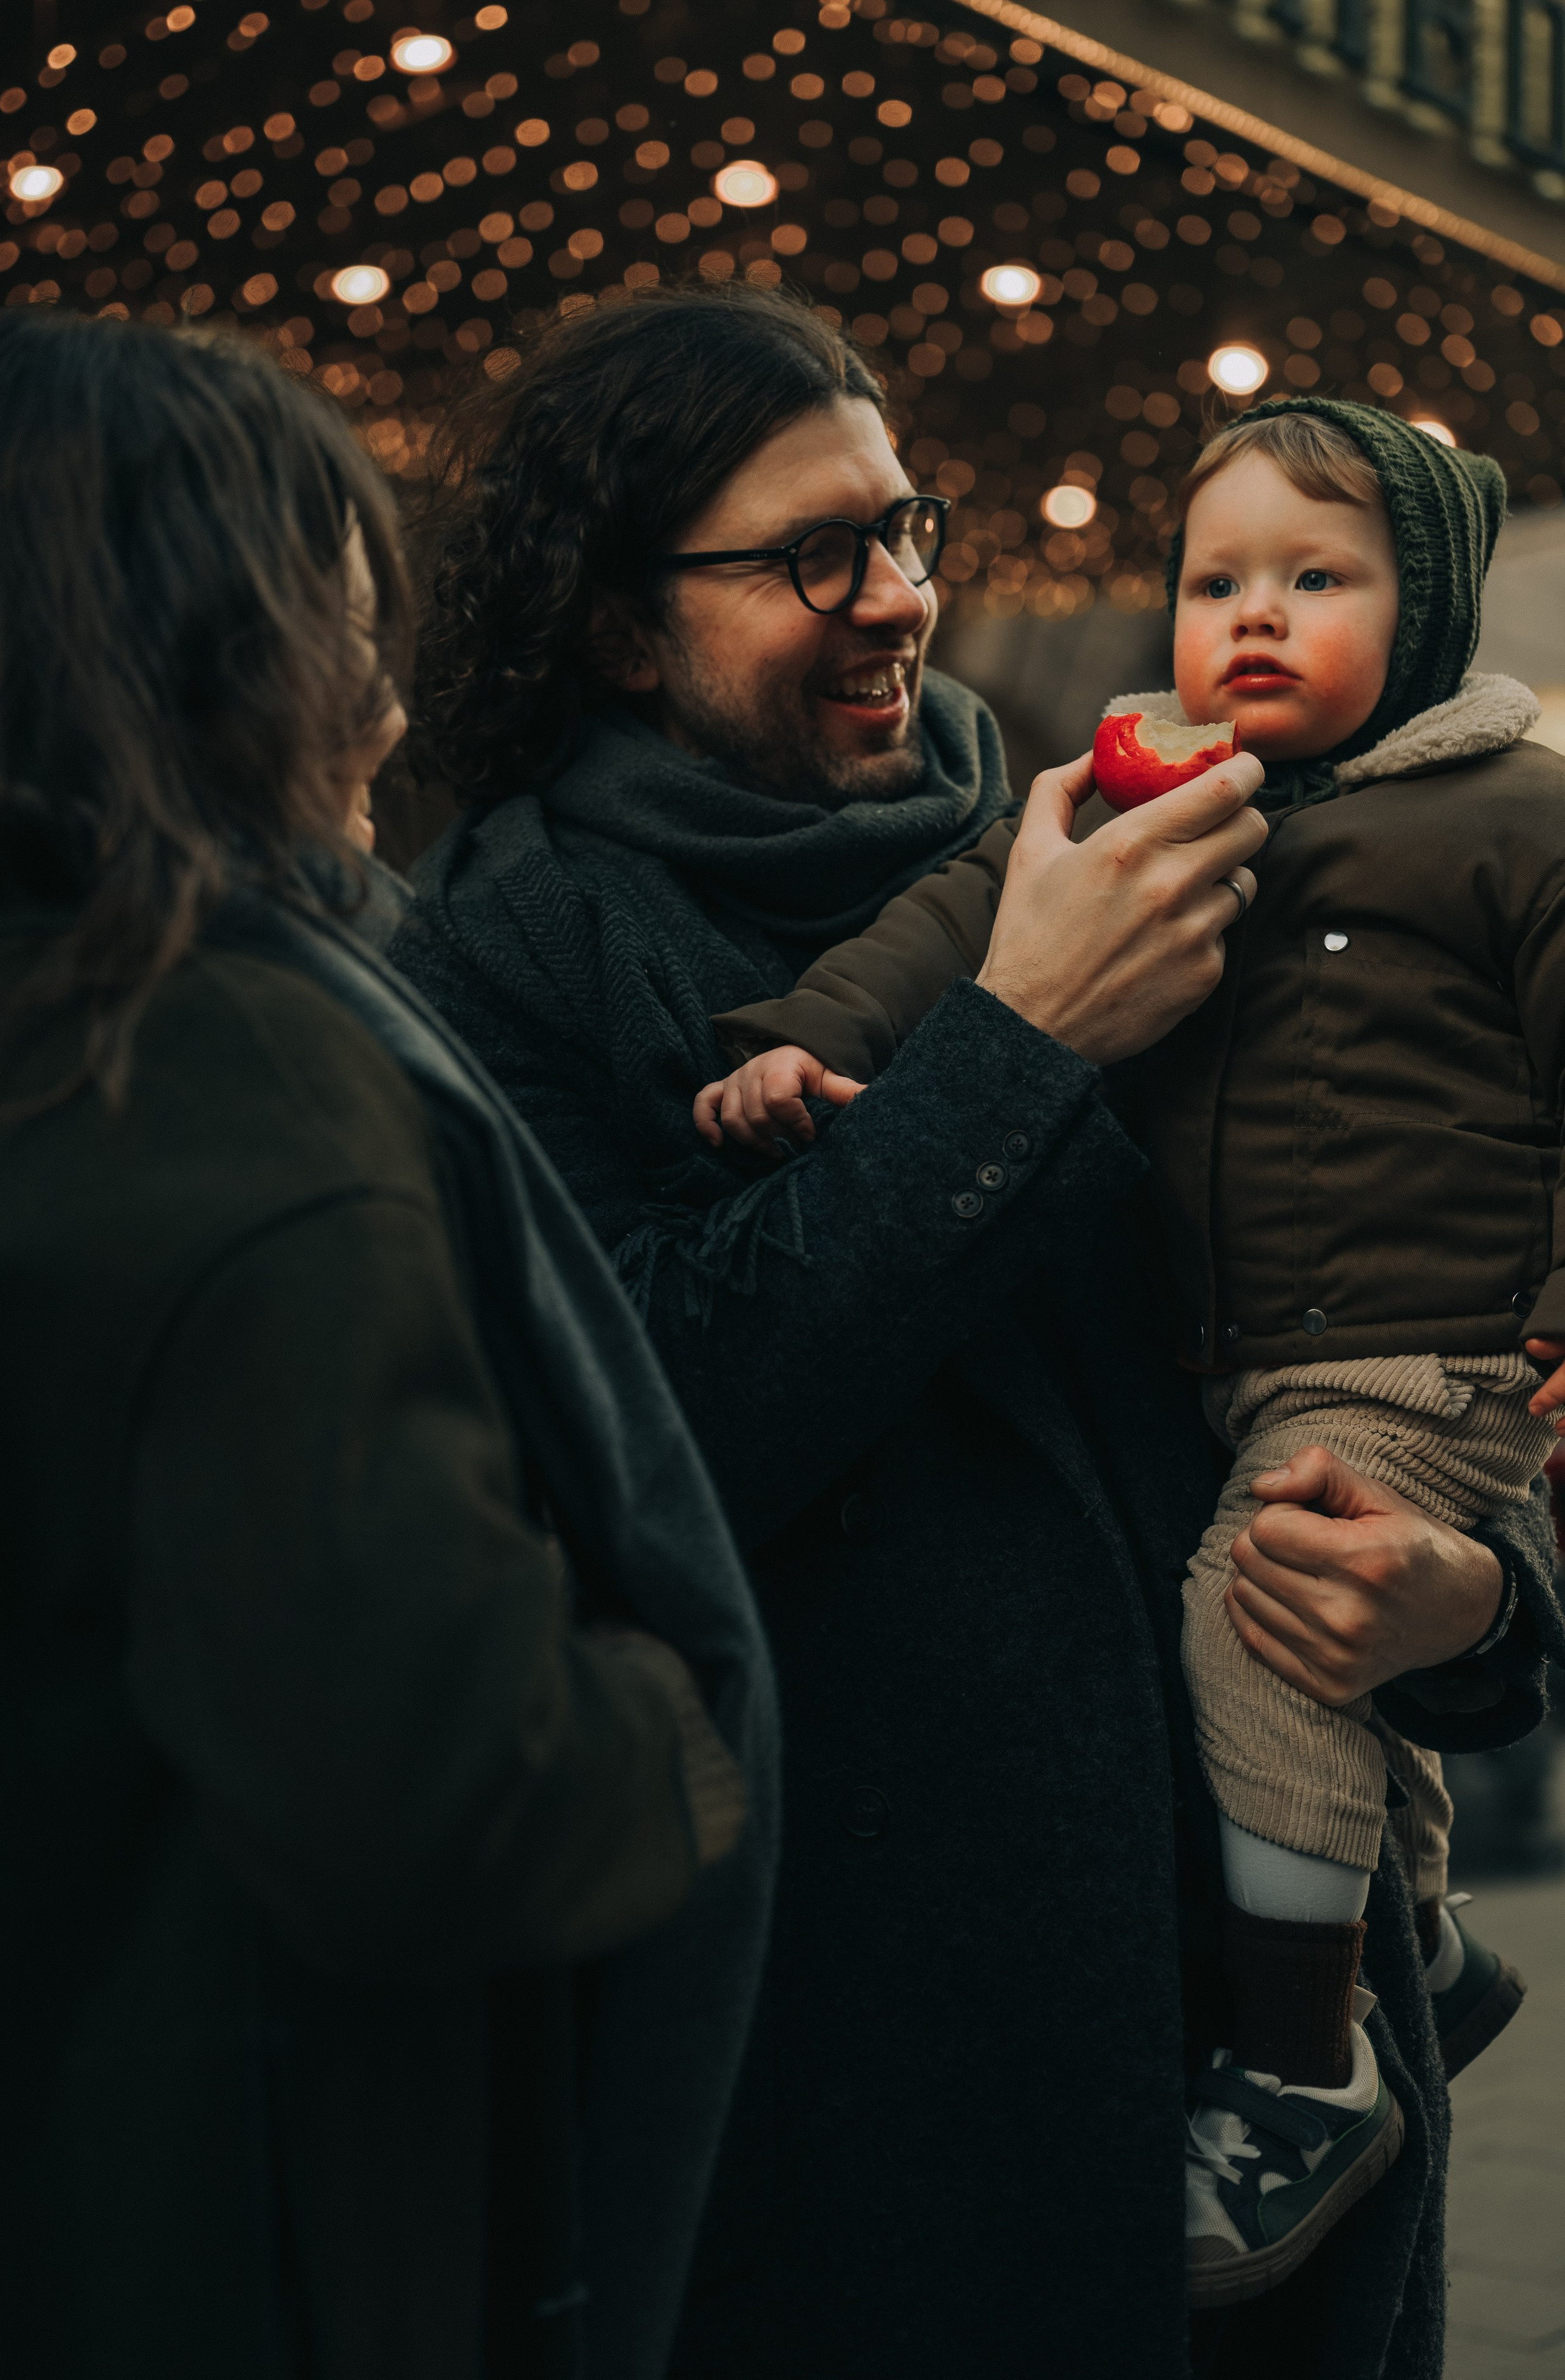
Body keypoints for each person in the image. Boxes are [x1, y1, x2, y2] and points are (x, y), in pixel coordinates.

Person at [390, 285, 1560, 2378]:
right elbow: (659, 1423)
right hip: (904, 2113)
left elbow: (1377, 1310)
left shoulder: (1109, 831)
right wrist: (1020, 1038)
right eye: (811, 555)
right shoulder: (508, 953)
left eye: (907, 526)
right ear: (614, 622)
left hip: (1286, 2118)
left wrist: (1463, 1602)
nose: (899, 601)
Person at [0, 308, 776, 2380]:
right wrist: (687, 1720)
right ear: (223, 660)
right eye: (347, 627)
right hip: (220, 2228)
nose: (391, 699)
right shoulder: (236, 1079)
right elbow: (438, 1773)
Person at [700, 397, 1565, 2306]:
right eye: (1215, 581)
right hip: (1238, 1342)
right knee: (1320, 1632)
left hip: (1413, 1343)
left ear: (1425, 617)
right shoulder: (1156, 791)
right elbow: (958, 917)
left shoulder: (1518, 818)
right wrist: (805, 1031)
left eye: (1317, 581)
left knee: (1252, 1615)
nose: (1251, 619)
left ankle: (1302, 2068)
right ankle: (1412, 1939)